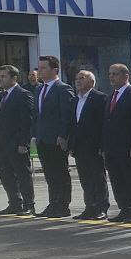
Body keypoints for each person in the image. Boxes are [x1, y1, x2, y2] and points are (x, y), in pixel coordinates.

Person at [33, 55, 76, 218]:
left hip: (56, 139)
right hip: (42, 138)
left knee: (60, 173)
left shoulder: (63, 89)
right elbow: (37, 115)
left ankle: (63, 205)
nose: (40, 71)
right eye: (39, 68)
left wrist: (63, 135)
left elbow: (67, 115)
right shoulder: (39, 89)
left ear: (55, 70)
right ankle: (53, 203)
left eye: (44, 68)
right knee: (49, 174)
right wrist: (34, 135)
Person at [103, 64, 131, 224]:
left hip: (127, 146)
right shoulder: (111, 95)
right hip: (112, 146)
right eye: (110, 74)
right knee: (117, 179)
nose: (111, 77)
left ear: (125, 76)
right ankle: (125, 208)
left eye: (115, 74)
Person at [0, 65, 35, 215]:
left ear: (14, 78)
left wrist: (24, 143)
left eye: (3, 76)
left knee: (22, 175)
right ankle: (14, 203)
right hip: (1, 143)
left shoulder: (23, 94)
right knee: (6, 175)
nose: (0, 79)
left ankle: (29, 205)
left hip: (16, 143)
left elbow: (27, 121)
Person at [71, 69, 109, 220]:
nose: (78, 81)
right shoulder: (75, 99)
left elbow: (103, 124)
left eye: (82, 78)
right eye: (76, 78)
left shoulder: (100, 98)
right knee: (85, 178)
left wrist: (102, 145)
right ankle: (90, 207)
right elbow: (73, 123)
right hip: (79, 146)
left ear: (92, 82)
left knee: (97, 177)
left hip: (94, 146)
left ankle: (101, 208)